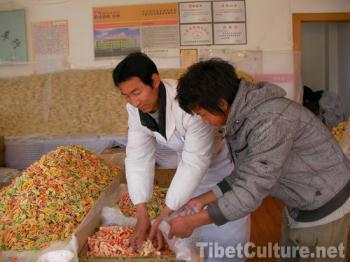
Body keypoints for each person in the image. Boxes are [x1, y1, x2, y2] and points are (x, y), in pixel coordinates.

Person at [171, 58, 350, 261]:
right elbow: (246, 171)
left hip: (325, 201)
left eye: (203, 114)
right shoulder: (243, 116)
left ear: (221, 104)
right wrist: (201, 200)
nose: (204, 122)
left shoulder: (270, 121)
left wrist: (191, 222)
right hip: (300, 200)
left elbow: (250, 192)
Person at [112, 52, 250, 261]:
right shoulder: (134, 109)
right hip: (188, 183)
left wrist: (161, 217)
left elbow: (195, 161)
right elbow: (138, 157)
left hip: (221, 175)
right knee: (192, 245)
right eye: (127, 96)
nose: (133, 101)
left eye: (136, 92)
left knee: (225, 244)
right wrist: (142, 213)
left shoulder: (187, 103)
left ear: (155, 81)